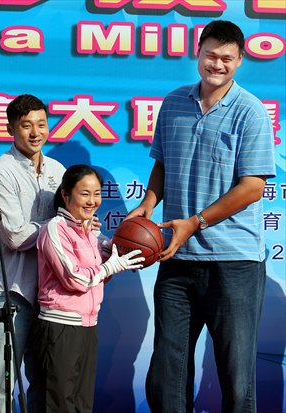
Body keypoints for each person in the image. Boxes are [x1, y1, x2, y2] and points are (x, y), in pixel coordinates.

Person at [126, 20, 276, 413]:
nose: (217, 64)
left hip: (235, 263)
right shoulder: (173, 102)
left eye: (227, 57)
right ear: (198, 53)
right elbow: (162, 162)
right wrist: (149, 202)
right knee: (166, 376)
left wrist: (195, 222)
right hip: (176, 259)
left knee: (235, 378)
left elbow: (252, 187)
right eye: (211, 54)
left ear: (240, 60)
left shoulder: (251, 111)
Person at [32, 164, 145, 413]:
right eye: (84, 193)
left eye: (96, 193)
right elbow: (75, 279)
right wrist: (110, 267)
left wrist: (117, 253)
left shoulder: (90, 232)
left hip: (88, 325)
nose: (92, 201)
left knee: (83, 404)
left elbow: (99, 275)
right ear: (65, 194)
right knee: (60, 404)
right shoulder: (55, 229)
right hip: (59, 327)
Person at [0, 94, 66, 412]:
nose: (35, 132)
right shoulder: (0, 169)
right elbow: (15, 236)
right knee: (0, 389)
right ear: (11, 129)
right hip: (10, 292)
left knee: (44, 384)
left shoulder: (58, 170)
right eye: (26, 126)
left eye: (41, 124)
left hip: (49, 295)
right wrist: (64, 225)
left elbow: (75, 222)